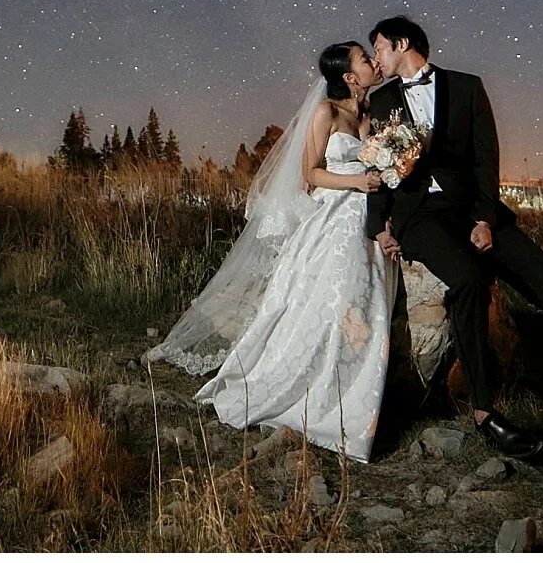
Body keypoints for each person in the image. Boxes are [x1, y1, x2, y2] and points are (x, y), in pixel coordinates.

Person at [362, 14, 543, 457]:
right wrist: (379, 227)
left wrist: (484, 219)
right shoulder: (382, 100)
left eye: (380, 48)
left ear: (402, 43)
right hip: (419, 216)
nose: (377, 58)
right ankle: (485, 413)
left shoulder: (467, 87)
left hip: (474, 211)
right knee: (469, 281)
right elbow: (376, 169)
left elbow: (487, 158)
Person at [148, 42, 438, 460]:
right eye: (364, 58)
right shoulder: (326, 112)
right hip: (335, 216)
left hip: (371, 221)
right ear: (349, 77)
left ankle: (353, 396)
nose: (374, 61)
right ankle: (305, 389)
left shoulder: (376, 114)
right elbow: (311, 172)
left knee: (366, 303)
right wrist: (356, 182)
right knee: (329, 303)